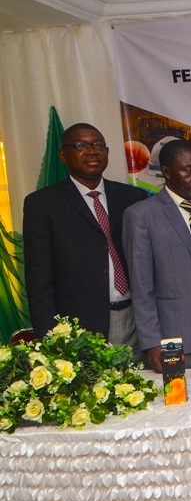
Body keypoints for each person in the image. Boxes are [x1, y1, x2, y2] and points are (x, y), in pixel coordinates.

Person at [23, 123, 148, 347]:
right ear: (63, 155)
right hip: (79, 328)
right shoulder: (42, 204)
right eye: (81, 145)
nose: (91, 151)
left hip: (136, 319)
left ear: (107, 152)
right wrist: (51, 337)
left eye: (98, 144)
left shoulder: (132, 197)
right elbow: (38, 277)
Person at [123, 139, 191, 371]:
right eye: (188, 170)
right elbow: (142, 287)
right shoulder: (142, 216)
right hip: (177, 333)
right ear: (167, 173)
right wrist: (152, 342)